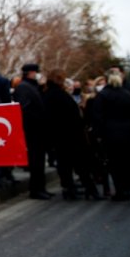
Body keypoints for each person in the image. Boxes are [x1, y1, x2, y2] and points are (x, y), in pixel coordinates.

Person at [41, 69, 99, 200]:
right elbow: (72, 116)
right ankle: (90, 189)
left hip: (60, 136)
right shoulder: (60, 95)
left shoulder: (48, 95)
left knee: (65, 164)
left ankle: (69, 188)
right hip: (71, 135)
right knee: (80, 164)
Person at [89, 69, 130, 201]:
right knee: (127, 162)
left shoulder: (103, 95)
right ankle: (127, 189)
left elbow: (97, 116)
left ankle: (120, 190)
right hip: (128, 133)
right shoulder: (127, 94)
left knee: (114, 163)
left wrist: (98, 134)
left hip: (110, 133)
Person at [13, 63, 52, 199]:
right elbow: (22, 108)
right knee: (35, 161)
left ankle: (41, 187)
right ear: (31, 73)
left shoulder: (32, 86)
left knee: (40, 161)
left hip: (38, 129)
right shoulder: (24, 87)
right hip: (32, 130)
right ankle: (36, 189)